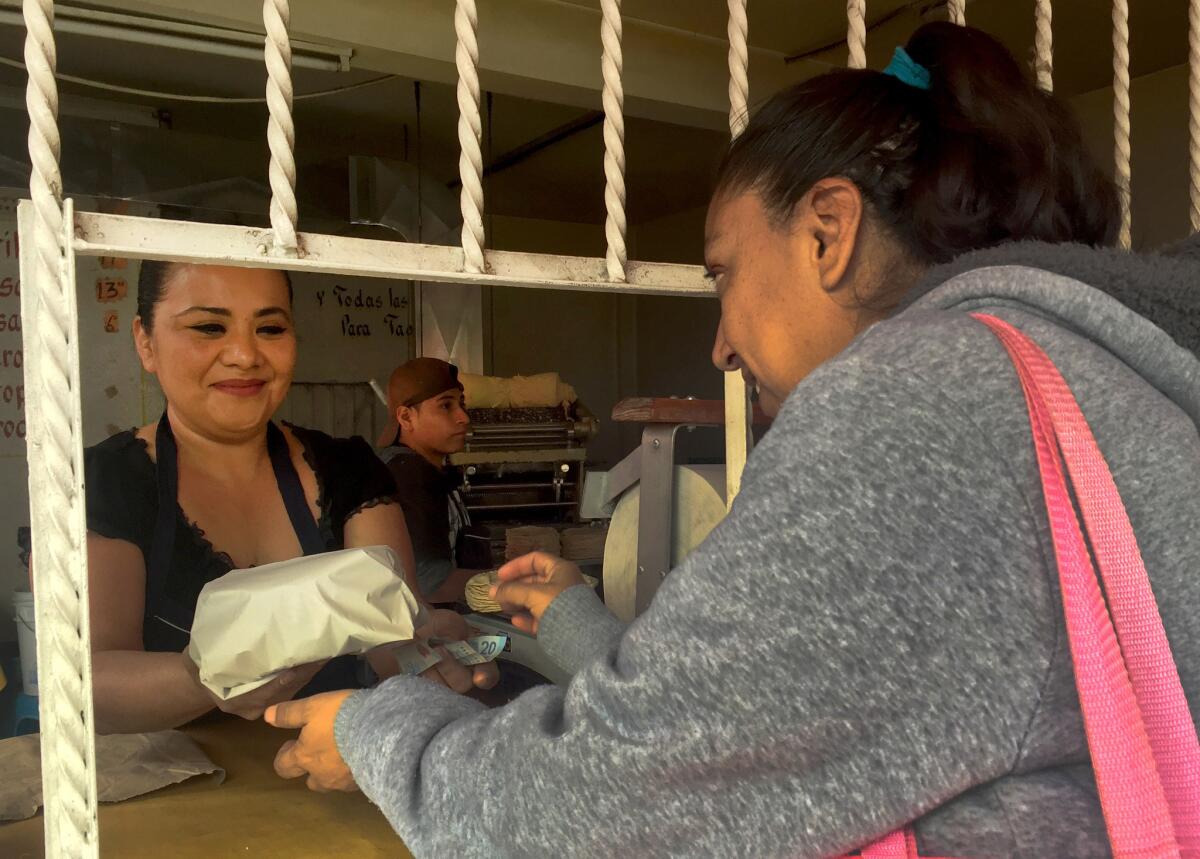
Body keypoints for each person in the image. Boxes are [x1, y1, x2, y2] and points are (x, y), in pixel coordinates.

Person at [266, 23, 1200, 858]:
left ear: (828, 231)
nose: (719, 343)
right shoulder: (1099, 375)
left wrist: (380, 730)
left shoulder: (928, 407)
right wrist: (581, 625)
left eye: (723, 270)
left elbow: (592, 814)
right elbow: (787, 724)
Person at [85, 262, 493, 735]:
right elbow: (90, 684)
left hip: (332, 777)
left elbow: (392, 632)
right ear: (146, 341)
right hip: (170, 791)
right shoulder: (107, 481)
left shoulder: (348, 469)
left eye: (270, 328)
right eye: (209, 327)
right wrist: (203, 680)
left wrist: (430, 648)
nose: (244, 355)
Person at [377, 358, 488, 603]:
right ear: (406, 418)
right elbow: (430, 584)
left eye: (461, 403)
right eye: (446, 406)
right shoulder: (410, 475)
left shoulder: (422, 469)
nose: (463, 417)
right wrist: (510, 584)